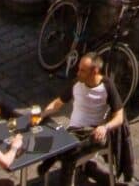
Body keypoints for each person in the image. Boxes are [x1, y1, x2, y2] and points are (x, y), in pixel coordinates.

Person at [42, 52, 130, 180]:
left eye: (82, 71)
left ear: (94, 71)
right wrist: (41, 114)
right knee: (66, 150)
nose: (78, 73)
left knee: (68, 153)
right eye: (79, 69)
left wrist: (105, 127)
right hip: (74, 132)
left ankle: (56, 157)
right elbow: (57, 103)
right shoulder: (76, 83)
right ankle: (59, 154)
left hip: (95, 133)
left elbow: (119, 117)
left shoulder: (107, 86)